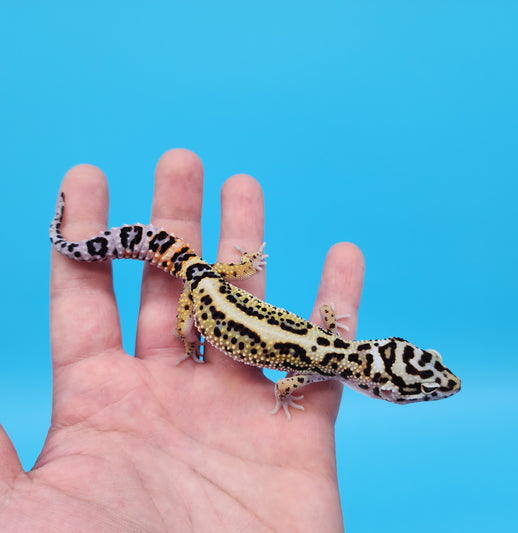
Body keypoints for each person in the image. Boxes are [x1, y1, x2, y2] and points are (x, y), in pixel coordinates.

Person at [0, 149, 364, 532]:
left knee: (193, 306)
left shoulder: (328, 347)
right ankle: (73, 247)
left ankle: (72, 242)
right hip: (201, 285)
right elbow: (285, 384)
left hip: (212, 278)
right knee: (181, 330)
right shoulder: (315, 371)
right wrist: (188, 342)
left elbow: (318, 330)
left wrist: (247, 269)